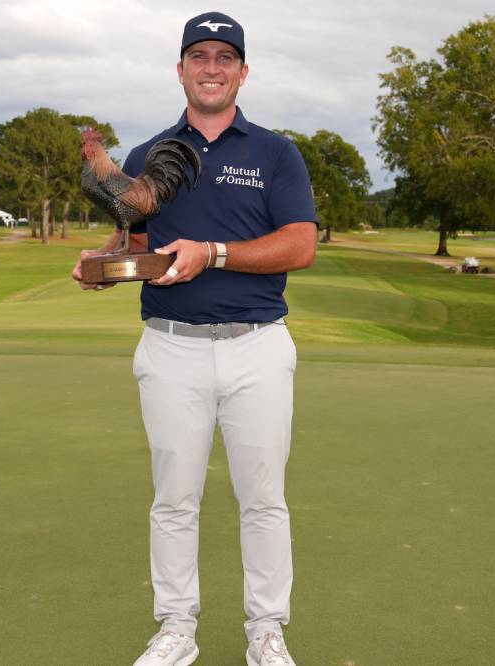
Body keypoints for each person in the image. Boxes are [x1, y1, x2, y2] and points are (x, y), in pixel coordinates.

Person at [71, 11, 317, 665]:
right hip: (171, 345)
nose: (212, 68)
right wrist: (102, 264)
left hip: (257, 345)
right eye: (199, 57)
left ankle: (266, 633)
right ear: (180, 70)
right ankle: (176, 630)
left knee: (263, 500)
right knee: (174, 500)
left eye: (224, 57)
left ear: (243, 71)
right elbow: (138, 243)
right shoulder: (145, 154)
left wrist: (214, 253)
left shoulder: (276, 152)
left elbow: (301, 244)